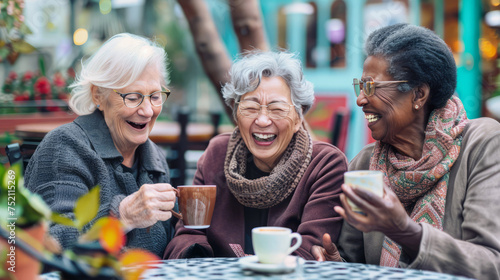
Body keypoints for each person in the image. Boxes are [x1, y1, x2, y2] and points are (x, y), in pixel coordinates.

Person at [311, 23, 500, 279]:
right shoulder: (365, 164)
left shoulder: (482, 144)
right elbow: (353, 259)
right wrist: (337, 263)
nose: (360, 99)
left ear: (418, 94)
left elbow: (492, 264)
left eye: (371, 87)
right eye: (360, 86)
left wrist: (406, 232)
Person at [164, 51, 347, 260]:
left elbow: (311, 250)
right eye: (250, 107)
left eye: (276, 109)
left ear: (298, 118)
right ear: (236, 114)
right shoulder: (217, 154)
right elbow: (189, 233)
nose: (262, 120)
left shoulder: (325, 165)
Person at [24, 33, 177, 257]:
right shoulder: (64, 148)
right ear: (98, 95)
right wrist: (121, 216)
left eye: (155, 96)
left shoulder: (154, 158)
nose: (147, 111)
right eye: (133, 97)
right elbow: (49, 244)